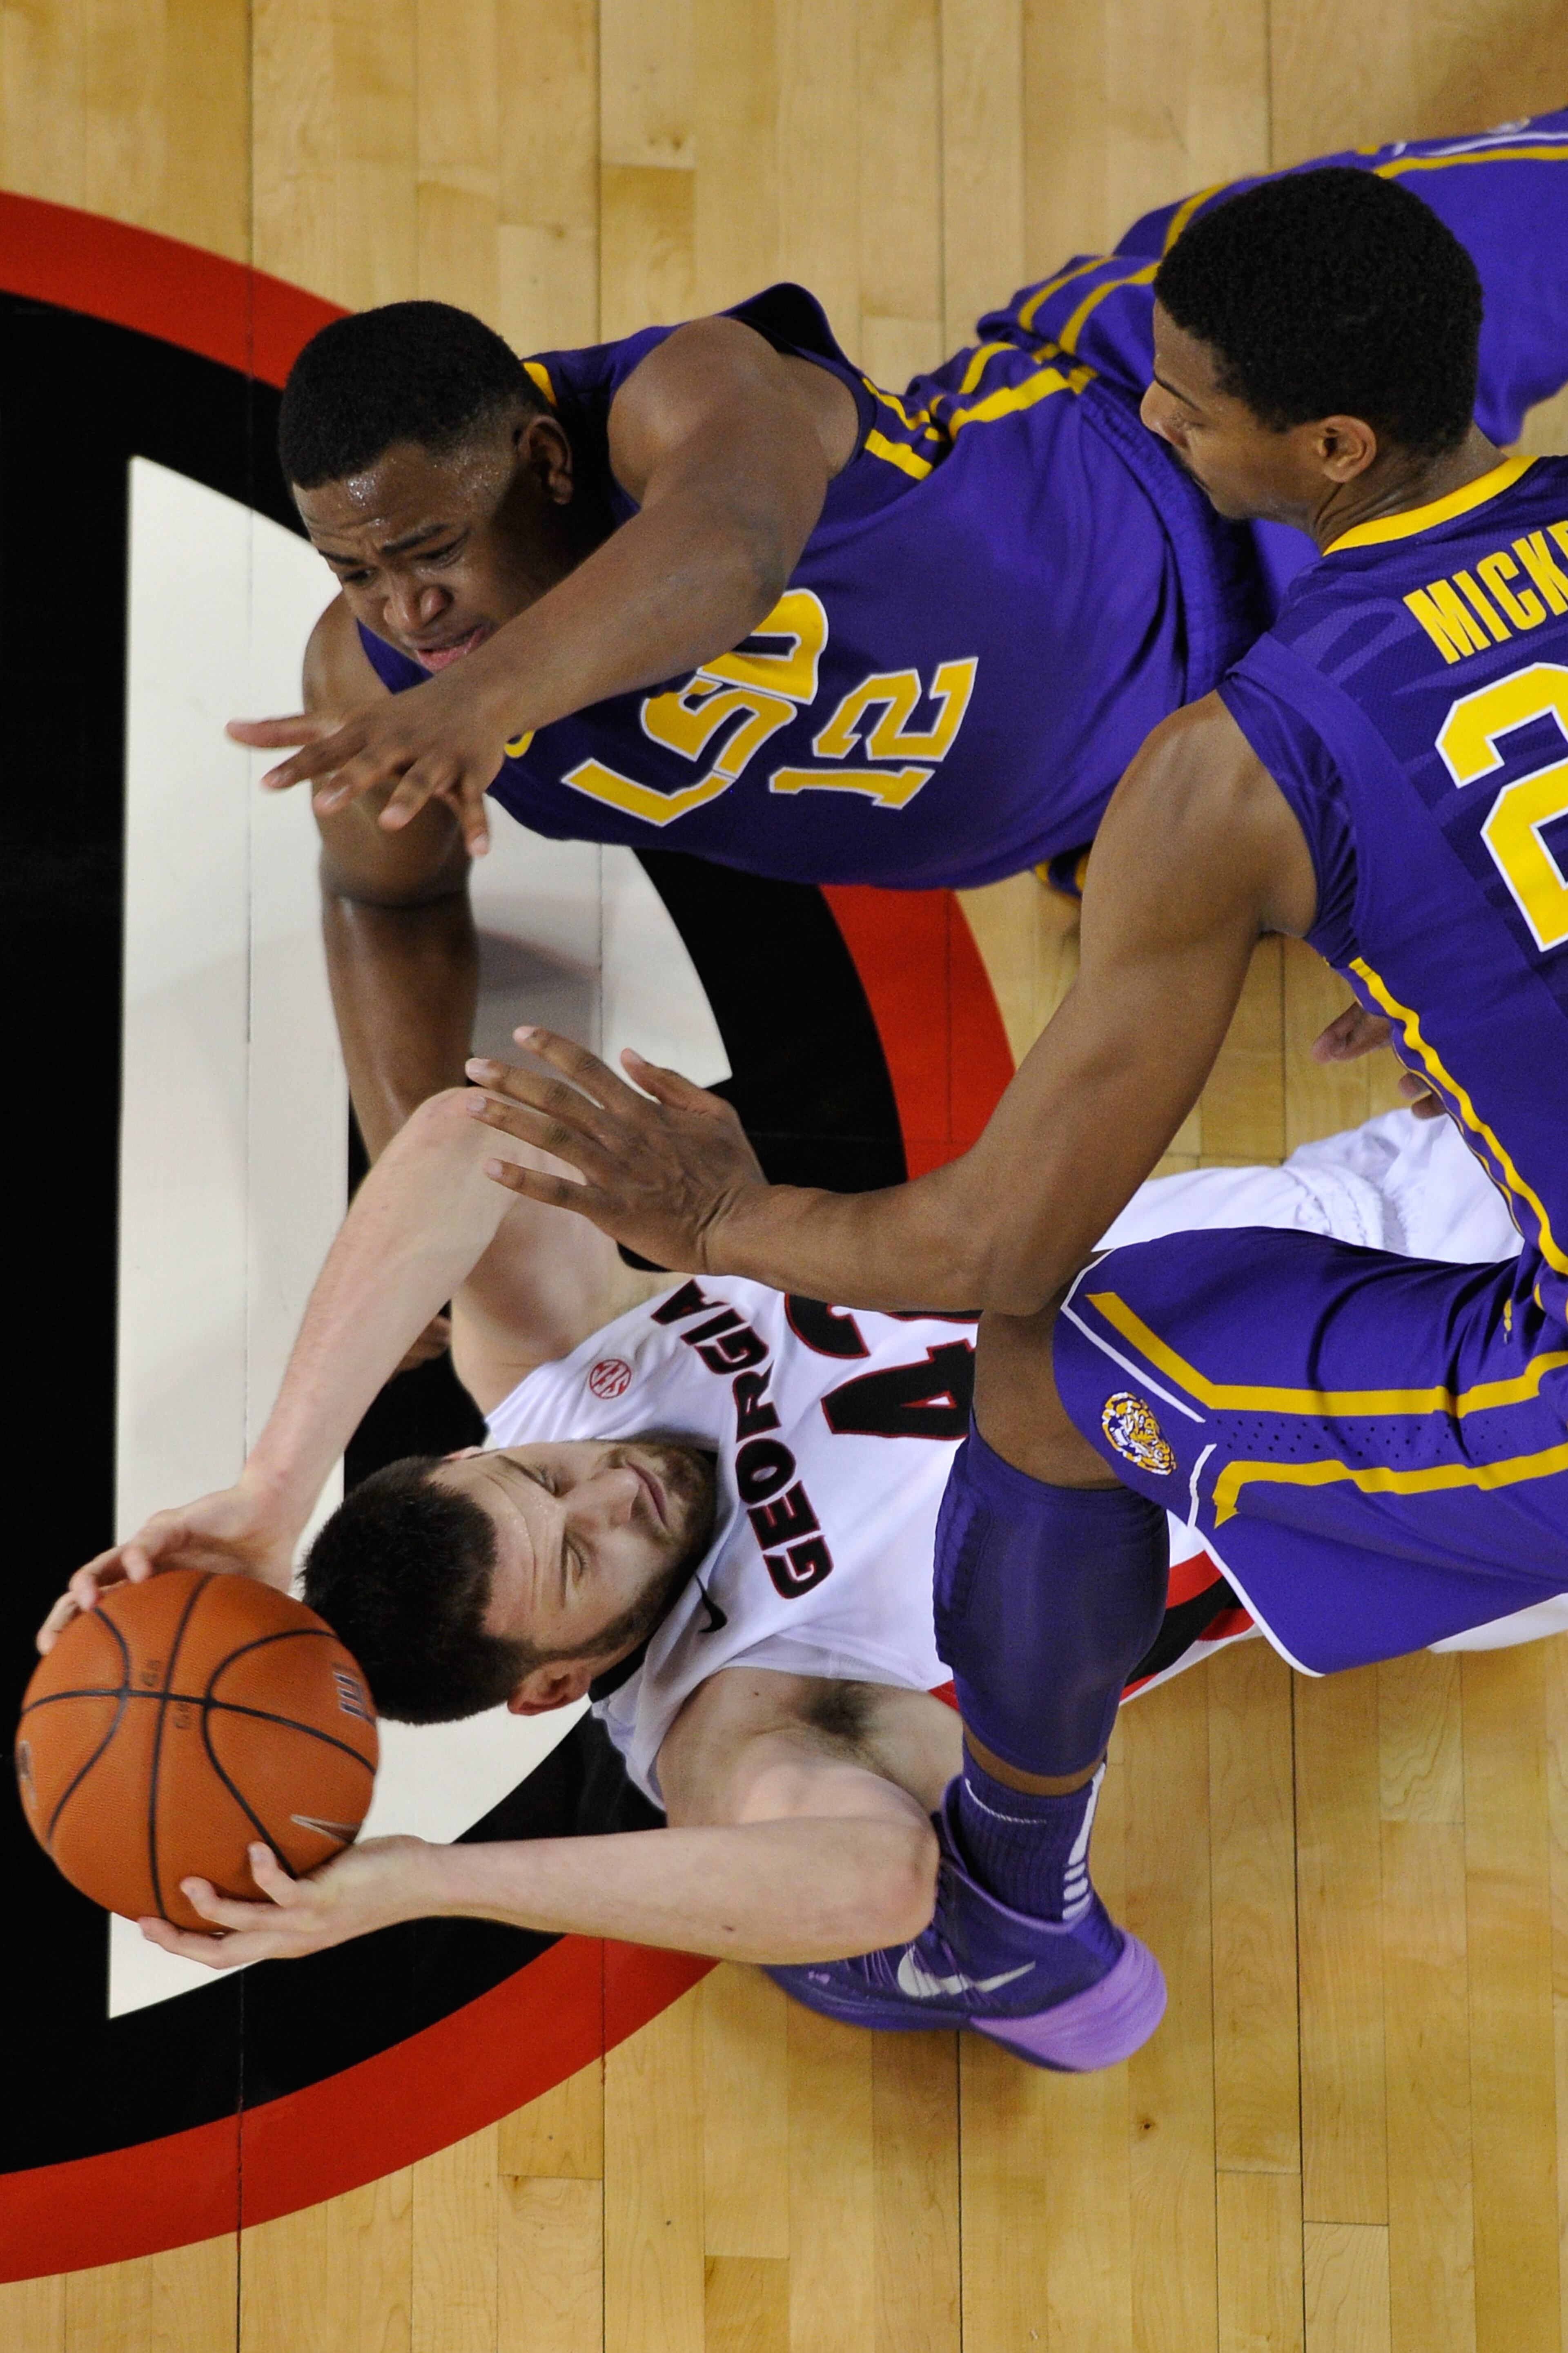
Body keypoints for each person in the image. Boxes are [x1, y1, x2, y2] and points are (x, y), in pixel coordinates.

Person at [458, 165, 1568, 2063]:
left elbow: (993, 1253)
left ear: (1329, 444)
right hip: (1454, 1204)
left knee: (1055, 1364)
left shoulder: (1231, 775)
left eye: (1188, 400)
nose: (1148, 406)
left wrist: (724, 1220)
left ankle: (1013, 1915)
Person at [41, 1071, 1535, 2063]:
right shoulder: (729, 1714)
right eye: (582, 1557)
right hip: (1414, 1457)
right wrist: (429, 1881)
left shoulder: (560, 1377)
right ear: (562, 1681)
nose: (609, 1491)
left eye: (537, 1475)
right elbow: (876, 1874)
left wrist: (270, 1486)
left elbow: (465, 1130)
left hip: (1389, 1177)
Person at [225, 118, 1568, 1160]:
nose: (405, 611)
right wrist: (411, 1148)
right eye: (354, 571)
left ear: (543, 464)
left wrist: (486, 702)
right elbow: (379, 895)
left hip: (1169, 446)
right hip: (1212, 781)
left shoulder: (679, 394)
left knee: (1441, 263)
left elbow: (730, 552)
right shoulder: (379, 688)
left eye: (430, 553)